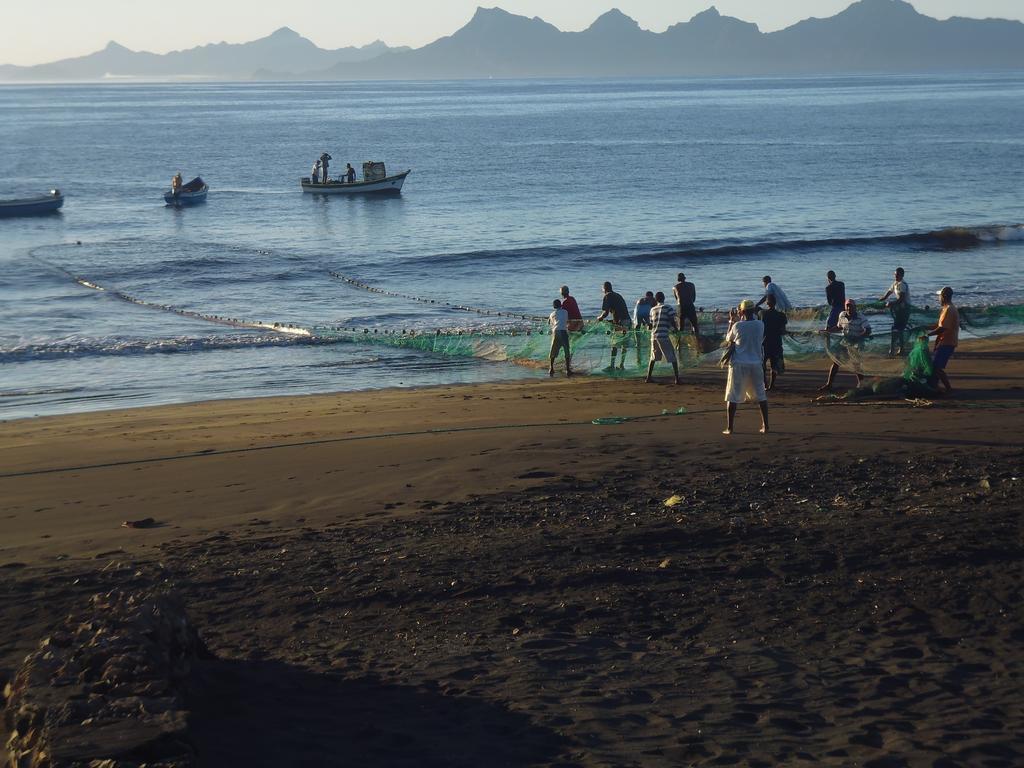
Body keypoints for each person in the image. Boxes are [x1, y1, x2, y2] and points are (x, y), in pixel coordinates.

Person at [722, 299, 768, 434]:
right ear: (753, 311)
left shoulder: (737, 326)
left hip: (739, 364)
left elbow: (728, 339)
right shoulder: (760, 324)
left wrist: (731, 320)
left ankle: (730, 427)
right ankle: (766, 425)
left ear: (742, 311)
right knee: (761, 394)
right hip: (755, 363)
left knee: (733, 395)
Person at [821, 298, 871, 391]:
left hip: (857, 343)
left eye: (851, 306)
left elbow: (868, 330)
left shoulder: (861, 317)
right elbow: (839, 327)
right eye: (847, 306)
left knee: (856, 364)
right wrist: (827, 331)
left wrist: (859, 336)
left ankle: (862, 384)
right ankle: (829, 384)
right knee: (836, 362)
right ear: (845, 307)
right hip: (845, 342)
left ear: (855, 307)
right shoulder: (842, 315)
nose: (849, 308)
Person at [926, 286, 959, 395]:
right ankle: (935, 386)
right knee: (934, 367)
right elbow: (938, 325)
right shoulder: (946, 308)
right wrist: (925, 327)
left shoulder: (949, 309)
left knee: (936, 367)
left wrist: (928, 335)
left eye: (939, 296)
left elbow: (943, 328)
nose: (938, 298)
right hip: (943, 341)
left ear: (943, 297)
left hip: (947, 342)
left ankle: (949, 389)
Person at [645, 292, 681, 385]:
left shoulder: (652, 309)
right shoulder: (668, 307)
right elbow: (672, 319)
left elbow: (651, 324)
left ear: (656, 300)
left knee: (653, 357)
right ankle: (677, 379)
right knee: (672, 357)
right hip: (663, 336)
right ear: (664, 298)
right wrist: (675, 329)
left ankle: (648, 377)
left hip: (654, 336)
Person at [596, 281, 632, 370]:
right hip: (627, 321)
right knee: (624, 345)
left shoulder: (607, 296)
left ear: (604, 289)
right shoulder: (618, 295)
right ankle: (622, 365)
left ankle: (612, 365)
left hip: (620, 323)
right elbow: (620, 310)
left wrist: (599, 318)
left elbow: (605, 312)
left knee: (614, 344)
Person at [880, 267, 911, 356]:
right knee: (898, 329)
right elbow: (890, 291)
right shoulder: (895, 283)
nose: (896, 277)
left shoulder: (902, 284)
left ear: (902, 275)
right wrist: (883, 298)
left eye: (897, 275)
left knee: (896, 329)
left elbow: (901, 299)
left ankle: (894, 349)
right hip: (899, 310)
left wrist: (891, 303)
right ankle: (900, 349)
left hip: (904, 310)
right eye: (895, 275)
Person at [760, 293, 788, 391]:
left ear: (767, 303)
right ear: (775, 303)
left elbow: (760, 328)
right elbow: (783, 331)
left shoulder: (762, 314)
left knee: (762, 364)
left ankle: (764, 384)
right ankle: (772, 385)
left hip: (764, 342)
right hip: (776, 342)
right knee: (774, 365)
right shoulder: (781, 315)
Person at [672, 272, 701, 349]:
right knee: (695, 325)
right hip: (690, 305)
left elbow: (676, 299)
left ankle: (679, 345)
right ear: (685, 278)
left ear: (678, 279)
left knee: (681, 327)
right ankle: (698, 342)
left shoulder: (675, 287)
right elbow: (694, 298)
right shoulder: (691, 285)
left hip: (681, 307)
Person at [548, 299, 572, 377]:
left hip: (555, 332)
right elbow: (566, 320)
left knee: (553, 350)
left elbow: (551, 323)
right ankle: (568, 369)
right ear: (561, 305)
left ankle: (551, 368)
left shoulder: (552, 314)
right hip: (563, 331)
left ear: (554, 306)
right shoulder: (565, 312)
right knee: (566, 350)